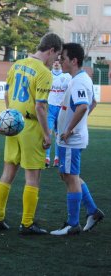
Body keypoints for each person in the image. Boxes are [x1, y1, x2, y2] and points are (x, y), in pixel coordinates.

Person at [0, 32, 62, 235]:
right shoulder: (44, 72)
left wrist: (9, 118)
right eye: (57, 56)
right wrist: (47, 134)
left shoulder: (17, 64)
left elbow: (6, 94)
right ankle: (27, 223)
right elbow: (40, 107)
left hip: (14, 125)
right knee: (33, 176)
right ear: (51, 50)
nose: (56, 60)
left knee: (8, 172)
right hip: (30, 126)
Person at [50, 43, 104, 235]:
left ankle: (73, 224)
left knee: (71, 178)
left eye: (62, 58)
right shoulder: (80, 79)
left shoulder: (79, 81)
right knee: (67, 175)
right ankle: (93, 211)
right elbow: (93, 102)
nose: (59, 61)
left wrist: (70, 129)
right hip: (69, 138)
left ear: (73, 60)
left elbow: (82, 107)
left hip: (70, 140)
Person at [45, 59, 72, 168]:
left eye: (58, 61)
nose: (56, 63)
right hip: (50, 108)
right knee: (48, 133)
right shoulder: (47, 75)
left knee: (58, 134)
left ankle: (57, 158)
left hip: (62, 109)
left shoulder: (67, 77)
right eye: (54, 61)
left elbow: (70, 92)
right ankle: (46, 158)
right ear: (52, 63)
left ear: (61, 63)